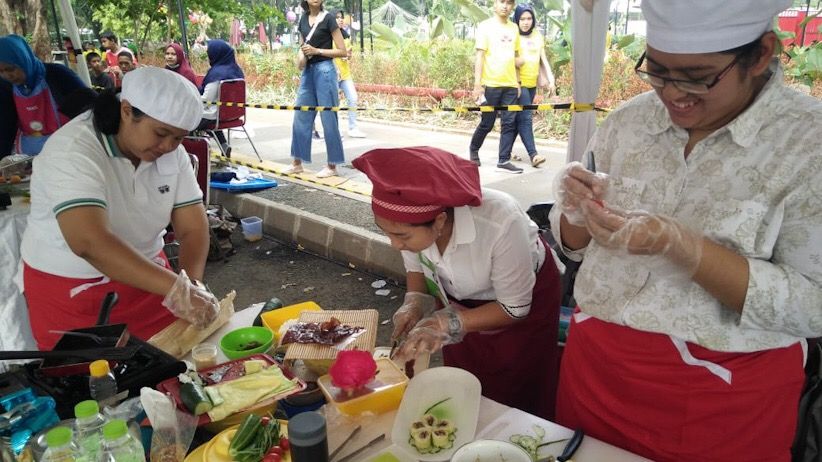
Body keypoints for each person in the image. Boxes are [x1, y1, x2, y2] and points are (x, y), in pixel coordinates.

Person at [549, 0, 821, 460]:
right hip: (596, 363)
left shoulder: (806, 144)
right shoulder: (629, 122)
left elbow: (813, 306)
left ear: (760, 55)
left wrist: (683, 248)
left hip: (724, 391)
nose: (674, 94)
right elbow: (573, 248)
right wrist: (576, 213)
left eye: (697, 77)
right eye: (658, 72)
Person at [353, 146, 562, 419]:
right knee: (465, 378)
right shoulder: (410, 225)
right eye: (386, 233)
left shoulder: (500, 221)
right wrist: (414, 303)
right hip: (459, 300)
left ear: (439, 221)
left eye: (401, 236)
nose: (395, 244)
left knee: (518, 381)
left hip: (521, 302)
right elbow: (417, 269)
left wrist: (447, 323)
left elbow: (514, 308)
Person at [20, 67, 219, 350]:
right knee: (92, 384)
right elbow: (89, 241)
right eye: (161, 133)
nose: (168, 146)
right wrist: (177, 289)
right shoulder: (72, 149)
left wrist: (191, 287)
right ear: (126, 110)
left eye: (178, 138)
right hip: (75, 292)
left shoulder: (171, 154)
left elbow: (192, 228)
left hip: (150, 281)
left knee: (169, 369)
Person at [0, 34, 92, 155]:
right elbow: (5, 127)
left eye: (11, 69)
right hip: (30, 156)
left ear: (23, 59)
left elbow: (90, 107)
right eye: (1, 71)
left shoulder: (57, 75)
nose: (7, 76)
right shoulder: (6, 87)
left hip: (71, 150)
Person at [285, 0, 348, 178]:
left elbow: (342, 51)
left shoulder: (328, 19)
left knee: (329, 117)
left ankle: (332, 166)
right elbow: (302, 45)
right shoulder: (303, 19)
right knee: (301, 115)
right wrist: (302, 56)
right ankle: (297, 162)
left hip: (326, 70)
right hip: (308, 71)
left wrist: (317, 51)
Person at [469, 0, 523, 174]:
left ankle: (504, 160)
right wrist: (478, 84)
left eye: (509, 2)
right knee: (487, 122)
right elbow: (480, 57)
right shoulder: (485, 26)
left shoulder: (514, 28)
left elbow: (515, 56)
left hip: (510, 85)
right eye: (502, 1)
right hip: (490, 84)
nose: (505, 6)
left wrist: (518, 82)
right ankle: (474, 149)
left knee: (509, 123)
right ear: (494, 3)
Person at [511, 4, 552, 168]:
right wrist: (517, 83)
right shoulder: (513, 35)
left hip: (532, 83)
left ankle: (505, 151)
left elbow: (543, 60)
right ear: (517, 19)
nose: (526, 22)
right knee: (526, 118)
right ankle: (533, 155)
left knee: (517, 120)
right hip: (518, 85)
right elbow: (510, 61)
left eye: (529, 18)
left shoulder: (537, 36)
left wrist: (551, 78)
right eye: (522, 19)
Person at [197, 39, 244, 156]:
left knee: (186, 121)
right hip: (233, 114)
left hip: (214, 115)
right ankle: (224, 145)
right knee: (211, 117)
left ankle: (196, 152)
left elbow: (206, 100)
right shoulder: (237, 71)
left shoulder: (216, 74)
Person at [334, 10, 366, 139]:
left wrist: (348, 55)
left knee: (353, 98)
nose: (340, 20)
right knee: (334, 103)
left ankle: (353, 128)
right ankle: (334, 130)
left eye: (341, 17)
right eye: (337, 18)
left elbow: (349, 53)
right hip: (332, 74)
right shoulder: (327, 36)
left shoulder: (346, 35)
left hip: (345, 74)